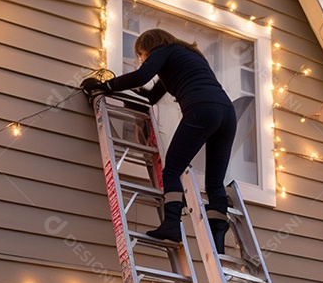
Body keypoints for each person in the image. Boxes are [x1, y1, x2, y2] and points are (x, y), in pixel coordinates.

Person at [83, 28, 237, 253]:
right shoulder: (186, 56)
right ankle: (218, 241)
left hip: (202, 109)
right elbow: (151, 97)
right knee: (215, 182)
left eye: (141, 54)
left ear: (148, 46)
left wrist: (104, 86)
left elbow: (141, 76)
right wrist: (126, 97)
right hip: (227, 115)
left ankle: (172, 225)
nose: (142, 59)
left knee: (172, 170)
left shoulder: (163, 50)